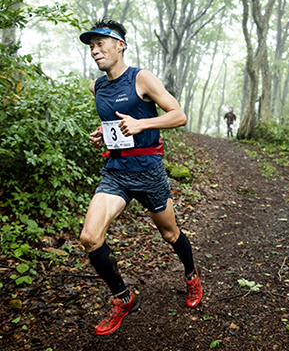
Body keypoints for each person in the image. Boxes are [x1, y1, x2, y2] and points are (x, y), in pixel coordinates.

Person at [79, 18, 203, 336]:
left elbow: (179, 115)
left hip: (149, 171)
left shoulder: (141, 78)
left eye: (100, 43)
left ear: (120, 45)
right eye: (91, 46)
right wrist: (102, 135)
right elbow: (115, 127)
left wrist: (141, 124)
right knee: (90, 238)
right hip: (116, 171)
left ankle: (191, 275)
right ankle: (123, 298)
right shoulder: (98, 86)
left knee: (171, 235)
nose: (95, 50)